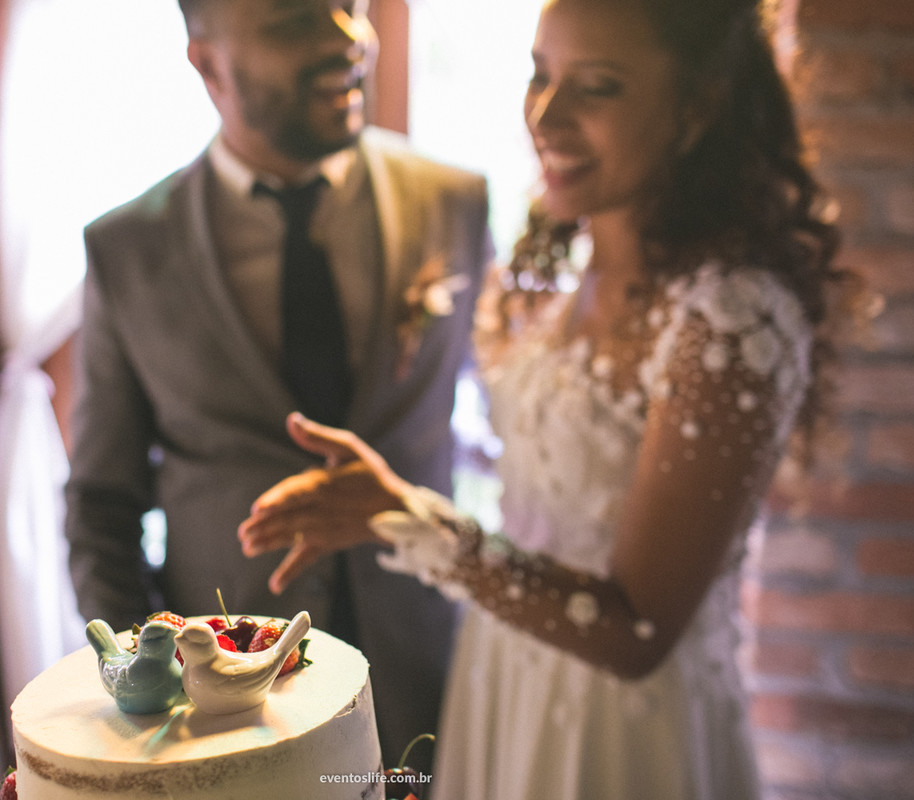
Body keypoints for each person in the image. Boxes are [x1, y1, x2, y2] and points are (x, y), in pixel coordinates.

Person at [239, 0, 866, 796]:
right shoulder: (549, 270)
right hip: (502, 672)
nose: (546, 114)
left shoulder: (730, 320)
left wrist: (405, 516)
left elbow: (639, 631)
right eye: (540, 74)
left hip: (625, 718)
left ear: (698, 105)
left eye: (597, 87)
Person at [64, 0, 493, 768]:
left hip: (429, 670)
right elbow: (103, 503)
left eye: (351, 6)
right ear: (207, 61)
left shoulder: (453, 202)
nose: (352, 39)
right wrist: (148, 694)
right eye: (297, 18)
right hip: (229, 710)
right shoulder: (127, 249)